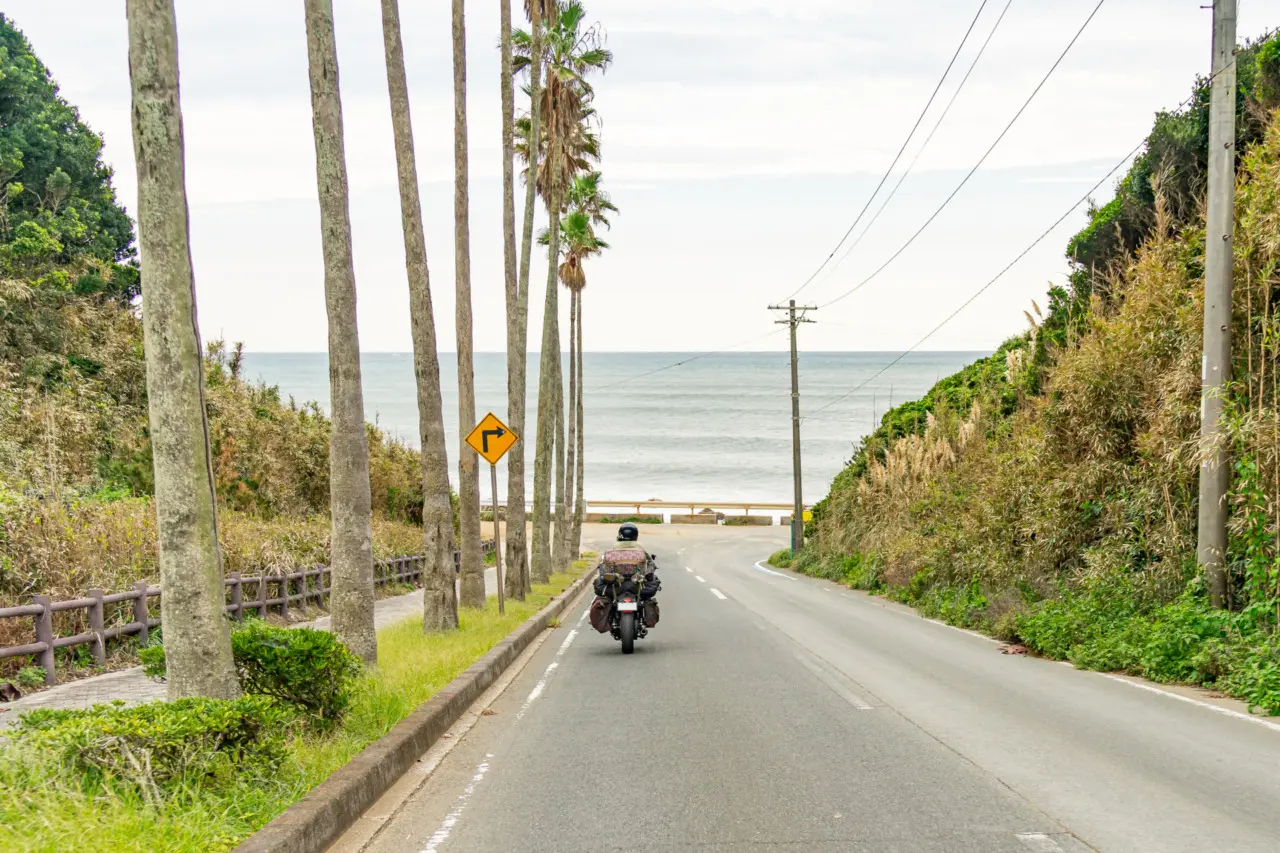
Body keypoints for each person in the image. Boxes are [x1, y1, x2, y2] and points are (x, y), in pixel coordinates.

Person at [595, 522, 660, 600]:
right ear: (636, 535)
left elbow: (603, 569)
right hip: (636, 585)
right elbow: (650, 564)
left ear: (620, 534)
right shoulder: (641, 549)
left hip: (616, 584)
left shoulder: (613, 549)